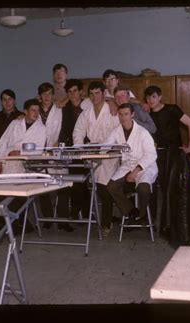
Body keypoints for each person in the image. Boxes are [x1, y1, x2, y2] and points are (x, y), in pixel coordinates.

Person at [144, 85, 190, 244]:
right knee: (159, 189)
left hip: (174, 154)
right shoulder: (146, 113)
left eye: (153, 97)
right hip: (157, 154)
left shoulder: (172, 109)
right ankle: (158, 223)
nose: (150, 100)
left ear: (160, 97)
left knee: (174, 190)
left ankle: (175, 225)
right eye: (148, 98)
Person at [72, 81, 120, 238]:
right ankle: (100, 218)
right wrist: (81, 149)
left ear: (104, 93)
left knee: (105, 188)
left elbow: (118, 133)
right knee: (97, 188)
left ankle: (106, 223)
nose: (94, 97)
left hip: (110, 155)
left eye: (97, 93)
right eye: (91, 94)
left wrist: (103, 148)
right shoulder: (86, 113)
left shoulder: (113, 111)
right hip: (92, 154)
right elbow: (78, 132)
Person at [0, 99, 47, 234]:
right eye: (33, 110)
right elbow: (3, 141)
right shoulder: (15, 123)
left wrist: (20, 152)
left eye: (37, 110)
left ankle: (14, 224)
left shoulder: (41, 128)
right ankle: (0, 224)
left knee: (17, 196)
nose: (36, 113)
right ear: (25, 111)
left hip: (24, 165)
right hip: (6, 161)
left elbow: (39, 149)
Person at [105, 103, 158, 229]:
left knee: (143, 188)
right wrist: (95, 148)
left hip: (145, 166)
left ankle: (142, 214)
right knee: (111, 187)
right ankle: (132, 211)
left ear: (132, 114)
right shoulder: (116, 131)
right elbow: (106, 145)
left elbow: (151, 155)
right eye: (121, 114)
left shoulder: (142, 132)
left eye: (126, 114)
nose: (123, 117)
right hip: (127, 166)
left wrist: (136, 171)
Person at [37, 82, 74, 232]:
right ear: (40, 96)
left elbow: (67, 129)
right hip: (39, 154)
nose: (47, 96)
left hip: (58, 152)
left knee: (63, 186)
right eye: (44, 94)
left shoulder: (61, 110)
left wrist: (61, 142)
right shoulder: (34, 111)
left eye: (49, 93)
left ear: (53, 95)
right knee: (42, 187)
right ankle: (47, 219)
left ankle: (63, 220)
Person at [57, 79, 91, 220]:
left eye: (75, 91)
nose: (72, 94)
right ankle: (78, 210)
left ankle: (87, 211)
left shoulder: (89, 106)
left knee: (88, 181)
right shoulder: (64, 110)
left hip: (89, 149)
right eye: (69, 92)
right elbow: (63, 130)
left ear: (81, 92)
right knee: (76, 181)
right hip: (71, 150)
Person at [0, 89, 24, 168]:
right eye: (4, 99)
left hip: (16, 157)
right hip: (0, 157)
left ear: (14, 101)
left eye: (10, 99)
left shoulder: (22, 116)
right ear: (1, 102)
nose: (7, 102)